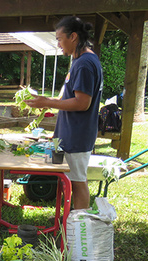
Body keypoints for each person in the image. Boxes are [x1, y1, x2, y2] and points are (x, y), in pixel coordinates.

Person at [23, 16, 103, 210]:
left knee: (77, 181)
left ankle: (78, 224)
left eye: (59, 38)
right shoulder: (80, 60)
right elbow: (69, 97)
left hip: (78, 134)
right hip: (70, 133)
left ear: (73, 36)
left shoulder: (84, 64)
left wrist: (48, 102)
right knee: (69, 181)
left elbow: (83, 103)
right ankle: (67, 219)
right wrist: (47, 103)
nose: (58, 44)